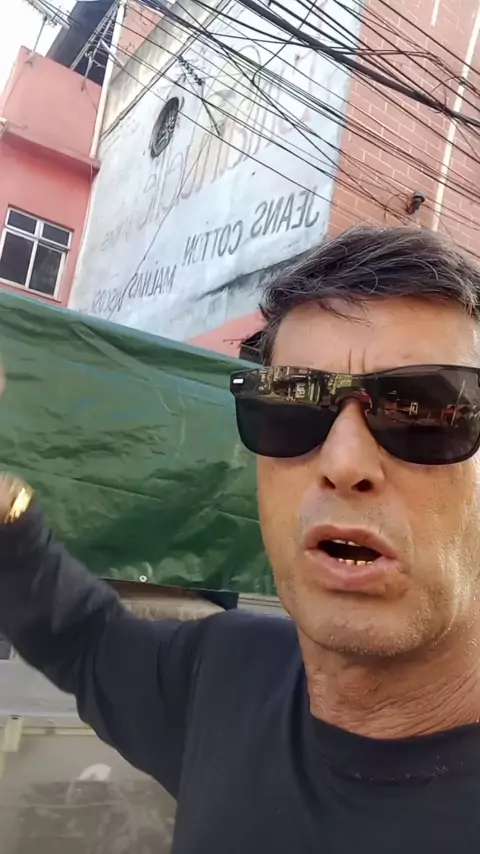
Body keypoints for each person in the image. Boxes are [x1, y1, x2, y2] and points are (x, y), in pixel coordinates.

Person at [1, 225, 480, 852]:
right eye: (290, 406)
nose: (343, 462)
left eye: (423, 410)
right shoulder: (224, 678)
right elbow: (82, 639)